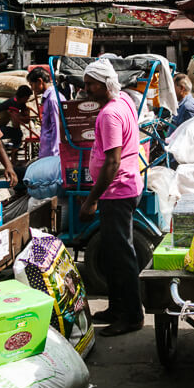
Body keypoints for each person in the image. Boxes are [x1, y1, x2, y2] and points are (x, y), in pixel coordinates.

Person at [78, 59, 144, 336]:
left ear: (106, 84)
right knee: (113, 254)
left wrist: (92, 199)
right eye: (85, 84)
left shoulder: (109, 115)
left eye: (91, 84)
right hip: (123, 188)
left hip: (117, 191)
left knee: (122, 257)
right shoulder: (124, 101)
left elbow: (112, 162)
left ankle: (131, 316)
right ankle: (117, 308)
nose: (86, 90)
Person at [27, 67, 63, 158]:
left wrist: (55, 154)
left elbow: (57, 127)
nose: (32, 88)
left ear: (39, 81)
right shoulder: (49, 98)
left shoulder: (52, 99)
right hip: (47, 152)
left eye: (32, 84)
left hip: (51, 154)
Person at [0, 85, 32, 150]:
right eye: (27, 97)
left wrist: (21, 116)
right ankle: (13, 157)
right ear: (24, 97)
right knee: (18, 133)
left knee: (17, 133)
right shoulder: (13, 103)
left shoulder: (21, 103)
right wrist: (21, 117)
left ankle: (13, 154)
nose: (28, 100)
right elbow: (16, 123)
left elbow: (27, 120)